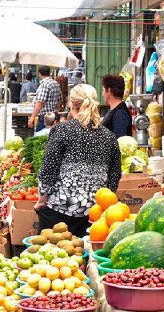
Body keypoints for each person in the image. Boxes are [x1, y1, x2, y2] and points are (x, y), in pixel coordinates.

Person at [35, 84, 122, 237]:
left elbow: (49, 169)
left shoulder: (62, 130)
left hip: (60, 212)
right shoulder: (109, 137)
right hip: (94, 216)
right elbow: (114, 177)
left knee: (53, 256)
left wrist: (42, 199)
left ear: (71, 104)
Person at [28, 66, 61, 131]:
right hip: (55, 117)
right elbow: (59, 102)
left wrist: (32, 118)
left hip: (45, 118)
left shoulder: (44, 85)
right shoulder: (56, 83)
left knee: (40, 136)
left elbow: (40, 103)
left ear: (39, 74)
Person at [100, 74, 132, 138]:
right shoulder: (114, 110)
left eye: (103, 90)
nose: (102, 94)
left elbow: (120, 139)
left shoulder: (120, 113)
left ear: (109, 91)